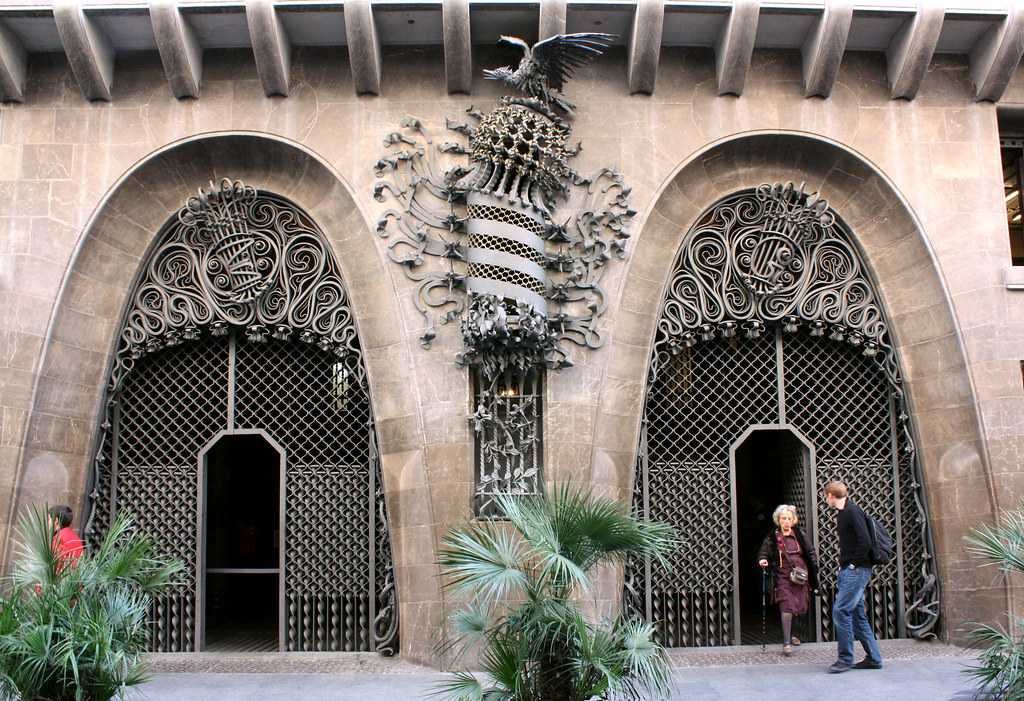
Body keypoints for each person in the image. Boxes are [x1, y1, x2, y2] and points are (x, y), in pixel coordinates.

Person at [823, 481, 883, 673]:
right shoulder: (844, 512)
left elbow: (864, 541)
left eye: (826, 496)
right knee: (857, 615)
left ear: (831, 495)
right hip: (851, 570)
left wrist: (852, 564)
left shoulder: (852, 512)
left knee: (840, 611)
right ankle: (873, 658)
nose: (826, 499)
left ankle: (845, 659)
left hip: (855, 571)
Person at [757, 504, 818, 656]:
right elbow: (764, 551)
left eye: (789, 518)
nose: (786, 521)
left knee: (799, 606)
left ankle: (793, 634)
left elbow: (810, 551)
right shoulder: (773, 536)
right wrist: (763, 559)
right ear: (778, 520)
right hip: (783, 577)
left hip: (800, 576)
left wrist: (814, 567)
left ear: (793, 520)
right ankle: (786, 643)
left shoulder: (799, 534)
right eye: (783, 518)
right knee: (787, 606)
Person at [49, 504, 84, 569]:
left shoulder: (58, 539)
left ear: (56, 521)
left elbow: (54, 567)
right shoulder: (75, 537)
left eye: (49, 520)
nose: (48, 523)